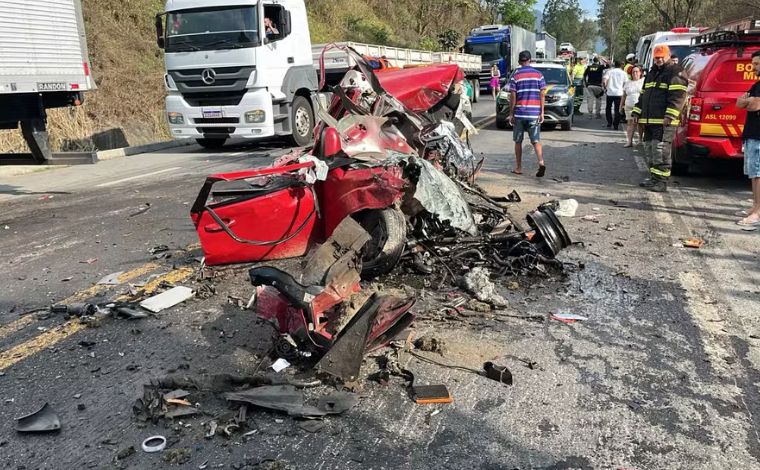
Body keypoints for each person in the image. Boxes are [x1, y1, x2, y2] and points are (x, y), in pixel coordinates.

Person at [630, 44, 688, 192]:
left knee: (660, 151)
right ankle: (654, 178)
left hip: (664, 122)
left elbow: (678, 97)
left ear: (668, 56)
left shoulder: (676, 72)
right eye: (656, 57)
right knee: (650, 150)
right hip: (649, 120)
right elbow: (643, 95)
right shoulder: (652, 73)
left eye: (661, 57)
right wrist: (637, 112)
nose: (659, 59)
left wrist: (670, 115)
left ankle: (661, 182)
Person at [508, 50, 547, 177]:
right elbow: (542, 94)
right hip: (534, 113)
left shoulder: (516, 75)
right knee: (536, 141)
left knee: (518, 141)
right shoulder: (539, 75)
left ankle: (519, 167)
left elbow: (513, 95)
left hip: (519, 113)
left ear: (519, 62)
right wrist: (542, 112)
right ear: (530, 60)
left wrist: (511, 113)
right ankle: (541, 162)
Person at [735, 50, 760, 226]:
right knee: (753, 174)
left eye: (757, 63)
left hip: (758, 136)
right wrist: (746, 101)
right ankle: (755, 206)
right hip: (751, 134)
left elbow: (754, 105)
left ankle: (758, 213)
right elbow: (739, 102)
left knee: (758, 174)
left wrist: (747, 102)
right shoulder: (756, 85)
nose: (753, 66)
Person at [621, 65, 644, 147]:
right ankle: (629, 141)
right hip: (629, 106)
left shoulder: (643, 81)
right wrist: (621, 106)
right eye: (633, 72)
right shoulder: (627, 83)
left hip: (640, 106)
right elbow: (624, 96)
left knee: (640, 124)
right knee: (630, 124)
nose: (635, 73)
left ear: (640, 73)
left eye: (636, 71)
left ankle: (640, 140)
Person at [603, 60, 627, 130]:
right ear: (621, 65)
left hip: (610, 93)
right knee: (617, 109)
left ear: (614, 65)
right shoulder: (623, 73)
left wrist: (605, 88)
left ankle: (609, 122)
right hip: (619, 93)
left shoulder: (609, 72)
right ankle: (616, 124)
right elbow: (626, 83)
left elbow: (604, 81)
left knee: (608, 108)